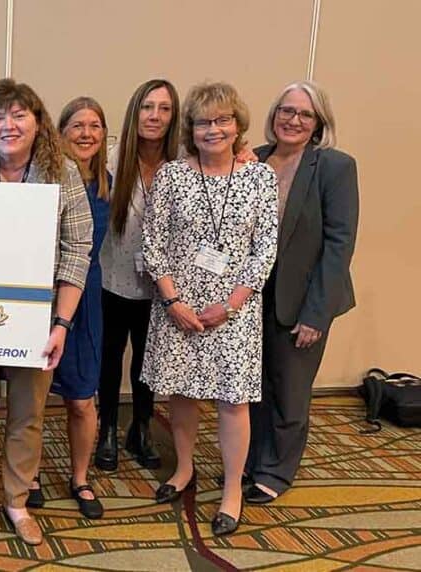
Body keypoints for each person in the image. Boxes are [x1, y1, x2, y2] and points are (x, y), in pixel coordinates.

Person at [0, 78, 93, 545]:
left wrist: (61, 323)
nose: (8, 125)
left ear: (37, 121)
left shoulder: (61, 173)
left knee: (28, 414)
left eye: (18, 115)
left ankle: (16, 501)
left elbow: (77, 249)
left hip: (36, 319)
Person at [142, 82, 278, 536]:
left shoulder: (259, 178)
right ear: (190, 128)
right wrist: (173, 301)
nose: (213, 129)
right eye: (203, 122)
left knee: (232, 401)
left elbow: (265, 249)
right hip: (177, 307)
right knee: (181, 393)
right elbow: (153, 243)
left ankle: (232, 490)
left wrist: (231, 305)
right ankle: (184, 468)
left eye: (222, 120)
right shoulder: (171, 176)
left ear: (238, 125)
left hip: (235, 311)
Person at [245, 81, 358, 504]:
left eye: (304, 114)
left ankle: (276, 472)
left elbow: (340, 244)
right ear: (274, 115)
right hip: (252, 296)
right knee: (252, 386)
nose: (293, 120)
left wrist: (317, 313)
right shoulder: (253, 160)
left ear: (318, 123)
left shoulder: (334, 167)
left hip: (305, 297)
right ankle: (252, 460)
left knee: (290, 390)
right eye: (286, 111)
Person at [27, 97, 111, 519]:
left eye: (95, 126)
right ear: (59, 132)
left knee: (81, 399)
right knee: (33, 400)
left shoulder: (110, 181)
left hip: (84, 297)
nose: (86, 133)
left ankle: (80, 477)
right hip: (40, 298)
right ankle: (30, 474)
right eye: (77, 125)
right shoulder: (42, 175)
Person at [95, 80, 181, 472]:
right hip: (112, 278)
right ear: (135, 111)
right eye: (148, 107)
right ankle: (107, 429)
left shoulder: (184, 164)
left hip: (161, 286)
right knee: (110, 358)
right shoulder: (111, 160)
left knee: (148, 361)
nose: (155, 116)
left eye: (164, 108)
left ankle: (141, 428)